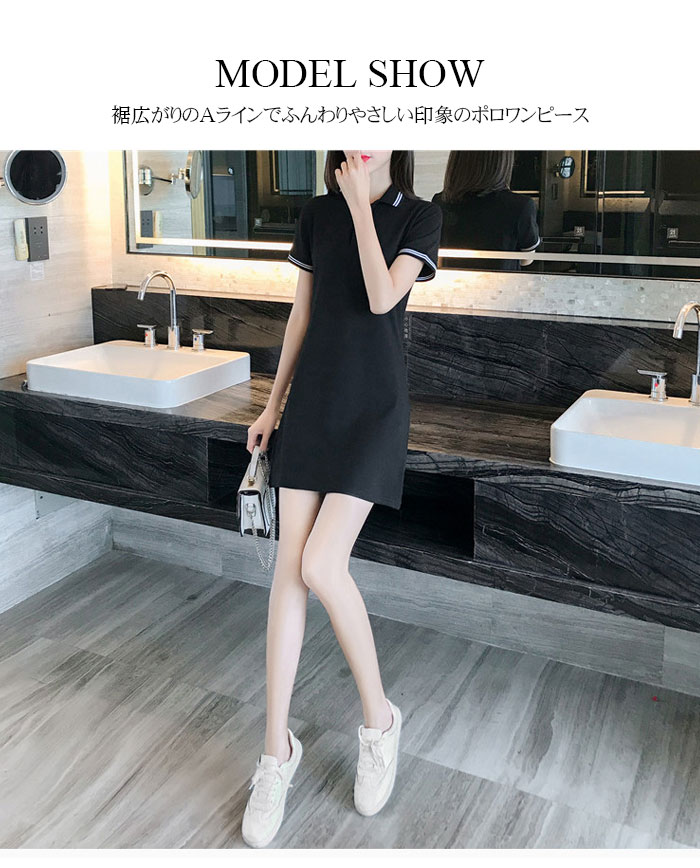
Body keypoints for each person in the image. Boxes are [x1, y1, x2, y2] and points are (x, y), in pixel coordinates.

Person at [241, 150, 443, 847]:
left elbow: (383, 296)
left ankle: (380, 722)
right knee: (288, 576)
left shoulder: (420, 215)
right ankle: (275, 753)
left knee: (322, 565)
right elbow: (301, 315)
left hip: (374, 410)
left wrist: (360, 203)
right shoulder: (316, 213)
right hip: (314, 404)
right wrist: (273, 406)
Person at [432, 150, 540, 270]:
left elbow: (437, 254)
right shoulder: (521, 206)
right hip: (503, 281)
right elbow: (526, 259)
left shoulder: (440, 201)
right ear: (502, 163)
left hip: (453, 280)